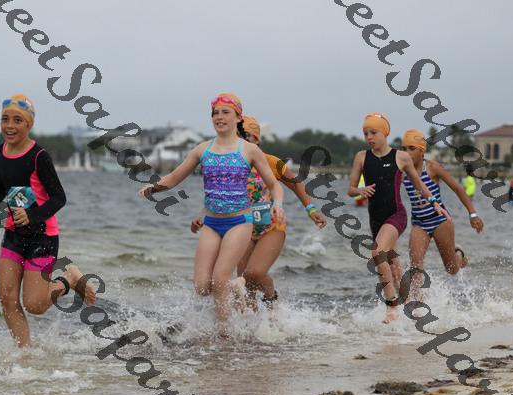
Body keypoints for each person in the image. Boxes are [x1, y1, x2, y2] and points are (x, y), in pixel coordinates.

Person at [139, 94, 285, 336]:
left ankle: (224, 336)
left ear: (238, 117)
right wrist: (153, 188)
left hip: (240, 222)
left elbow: (274, 185)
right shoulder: (202, 149)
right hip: (211, 223)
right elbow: (174, 177)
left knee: (219, 280)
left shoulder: (249, 150)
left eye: (225, 112)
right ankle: (235, 287)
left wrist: (277, 204)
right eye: (215, 113)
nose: (219, 117)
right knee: (202, 287)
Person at [0, 94, 96, 347]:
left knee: (35, 305)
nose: (10, 126)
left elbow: (59, 198)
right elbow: (0, 189)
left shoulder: (39, 157)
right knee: (7, 299)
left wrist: (32, 215)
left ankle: (69, 278)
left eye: (17, 120)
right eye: (5, 119)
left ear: (29, 124)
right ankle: (24, 352)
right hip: (13, 234)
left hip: (43, 237)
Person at [191, 116, 327, 311]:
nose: (241, 139)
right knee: (244, 288)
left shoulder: (270, 162)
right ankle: (250, 326)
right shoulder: (231, 163)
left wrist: (311, 210)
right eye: (238, 135)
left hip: (271, 227)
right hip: (241, 227)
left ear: (256, 139)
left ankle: (271, 297)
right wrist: (203, 217)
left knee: (253, 273)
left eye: (246, 135)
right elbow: (218, 197)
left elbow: (296, 185)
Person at [348, 113, 449, 324]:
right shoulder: (361, 157)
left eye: (373, 132)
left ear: (385, 133)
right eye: (365, 133)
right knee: (393, 266)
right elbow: (350, 189)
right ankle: (410, 306)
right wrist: (360, 190)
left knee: (378, 253)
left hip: (396, 215)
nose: (369, 137)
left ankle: (391, 306)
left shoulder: (401, 157)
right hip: (375, 219)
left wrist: (435, 203)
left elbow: (420, 184)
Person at [400, 130, 484, 299]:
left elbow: (458, 189)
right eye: (404, 149)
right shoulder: (402, 171)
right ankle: (416, 305)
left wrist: (473, 214)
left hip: (440, 221)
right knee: (415, 265)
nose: (406, 153)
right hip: (419, 223)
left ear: (421, 150)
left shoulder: (433, 167)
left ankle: (458, 253)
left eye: (411, 148)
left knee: (451, 269)